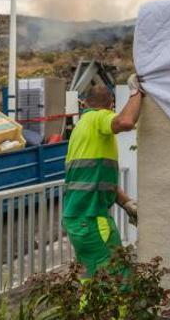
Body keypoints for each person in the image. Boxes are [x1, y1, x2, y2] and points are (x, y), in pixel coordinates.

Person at [62, 77, 143, 278]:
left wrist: (127, 204)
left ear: (85, 104)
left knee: (92, 280)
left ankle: (88, 310)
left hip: (77, 221)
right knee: (117, 278)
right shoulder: (98, 118)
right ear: (110, 106)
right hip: (91, 219)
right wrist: (136, 93)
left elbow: (99, 181)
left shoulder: (81, 129)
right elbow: (126, 121)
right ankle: (118, 311)